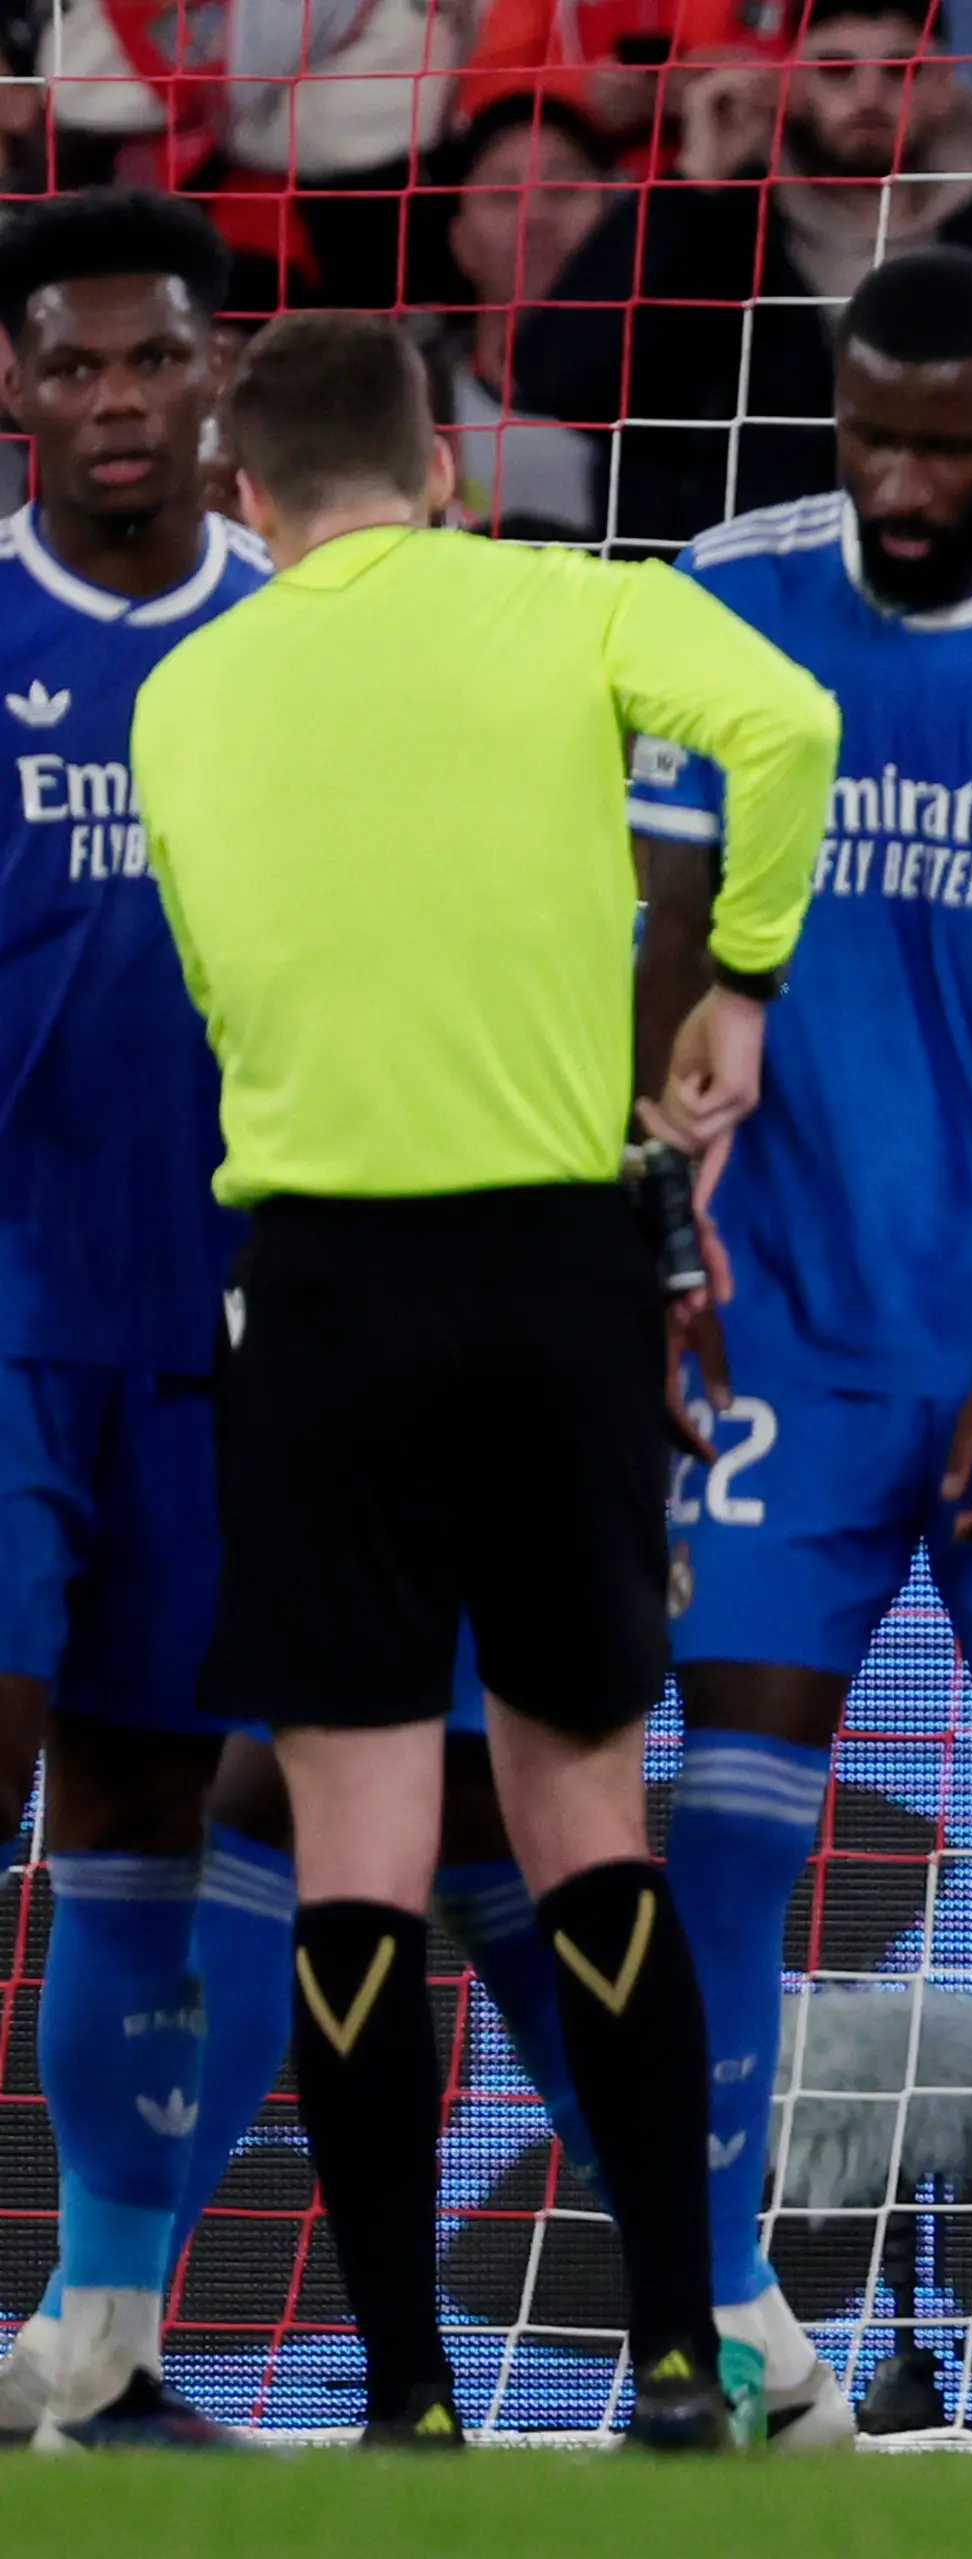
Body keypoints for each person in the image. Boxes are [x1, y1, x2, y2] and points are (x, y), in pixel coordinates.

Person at [129, 308, 841, 2449]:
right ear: (441, 465)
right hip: (551, 1269)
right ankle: (680, 2358)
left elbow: (210, 964)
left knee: (356, 1844)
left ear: (245, 502)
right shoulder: (568, 601)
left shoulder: (189, 685)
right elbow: (789, 720)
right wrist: (744, 972)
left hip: (323, 1282)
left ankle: (411, 2398)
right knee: (582, 1824)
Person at [632, 249, 972, 2463]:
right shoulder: (720, 598)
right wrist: (653, 1236)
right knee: (723, 1841)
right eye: (871, 434)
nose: (903, 481)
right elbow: (656, 944)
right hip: (783, 1326)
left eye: (950, 443)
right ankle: (739, 2318)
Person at [0, 185, 270, 2453]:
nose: (111, 399)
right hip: (0, 1306)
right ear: (13, 388)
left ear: (217, 376)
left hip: (218, 1319)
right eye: (69, 362)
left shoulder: (293, 643)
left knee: (145, 1823)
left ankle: (103, 2339)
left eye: (147, 357)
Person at [513, 0, 972, 545]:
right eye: (836, 70)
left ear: (944, 83)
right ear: (787, 82)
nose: (868, 97)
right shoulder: (721, 228)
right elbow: (558, 377)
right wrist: (690, 186)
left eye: (898, 71)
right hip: (741, 596)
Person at [426, 95, 621, 547]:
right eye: (503, 196)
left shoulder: (678, 396)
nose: (535, 217)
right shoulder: (410, 397)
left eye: (563, 191)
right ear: (459, 241)